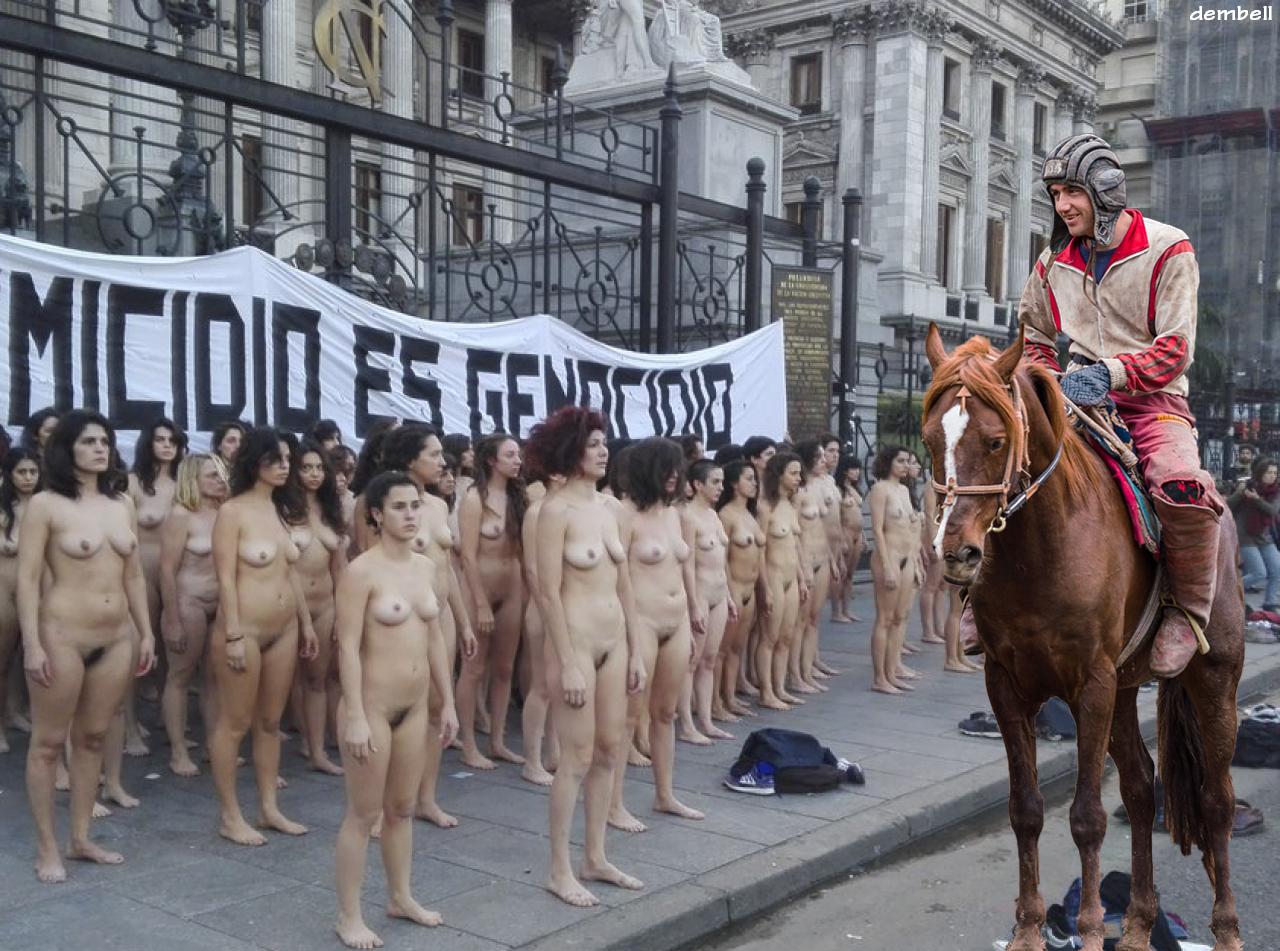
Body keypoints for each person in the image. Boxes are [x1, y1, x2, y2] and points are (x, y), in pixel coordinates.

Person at [1017, 132, 1224, 677]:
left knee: (1182, 484)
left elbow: (1175, 350)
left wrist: (1109, 374)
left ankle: (1187, 612)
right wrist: (1049, 379)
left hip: (1154, 403)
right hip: (1076, 399)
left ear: (1106, 192)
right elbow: (1033, 336)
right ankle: (983, 596)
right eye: (1055, 194)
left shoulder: (1169, 247)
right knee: (1010, 465)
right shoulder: (1051, 262)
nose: (1062, 205)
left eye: (1072, 192)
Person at [19, 410, 157, 883]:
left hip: (116, 637)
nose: (100, 448)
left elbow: (133, 575)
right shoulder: (46, 505)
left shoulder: (121, 504)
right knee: (48, 743)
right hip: (62, 635)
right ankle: (47, 847)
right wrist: (32, 644)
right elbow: (28, 580)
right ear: (67, 449)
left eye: (104, 441)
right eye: (89, 442)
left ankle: (80, 838)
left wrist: (146, 632)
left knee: (94, 736)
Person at [524, 407, 645, 907]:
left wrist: (636, 651)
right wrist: (569, 661)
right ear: (570, 451)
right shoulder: (554, 512)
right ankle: (560, 869)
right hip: (574, 642)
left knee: (610, 749)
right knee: (574, 758)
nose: (603, 451)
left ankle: (595, 856)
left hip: (615, 641)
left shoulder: (612, 508)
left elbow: (625, 584)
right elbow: (547, 592)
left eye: (604, 442)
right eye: (593, 444)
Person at [333, 472, 459, 949]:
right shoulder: (360, 572)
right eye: (399, 507)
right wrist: (355, 716)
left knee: (403, 808)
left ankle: (400, 896)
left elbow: (434, 638)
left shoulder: (426, 568)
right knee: (363, 814)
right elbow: (346, 647)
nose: (410, 515)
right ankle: (349, 915)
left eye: (415, 506)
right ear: (376, 514)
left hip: (416, 706)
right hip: (373, 705)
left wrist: (447, 702)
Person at [208, 427, 318, 846]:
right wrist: (233, 634)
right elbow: (225, 578)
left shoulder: (278, 509)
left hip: (284, 629)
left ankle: (269, 807)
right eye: (277, 459)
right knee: (235, 722)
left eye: (288, 459)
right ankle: (230, 815)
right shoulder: (232, 512)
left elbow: (289, 573)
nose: (285, 466)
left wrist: (306, 623)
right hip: (246, 630)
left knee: (270, 723)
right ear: (256, 462)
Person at [377, 424, 477, 827]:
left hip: (442, 615)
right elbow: (368, 566)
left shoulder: (436, 504)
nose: (441, 462)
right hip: (400, 619)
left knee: (437, 708)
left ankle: (426, 798)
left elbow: (446, 566)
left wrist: (465, 622)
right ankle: (381, 805)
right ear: (410, 459)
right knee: (393, 711)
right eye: (433, 455)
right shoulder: (380, 503)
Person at [614, 437, 705, 826]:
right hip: (642, 622)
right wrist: (631, 643)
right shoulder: (625, 515)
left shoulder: (674, 515)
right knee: (629, 716)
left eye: (677, 468)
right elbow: (618, 581)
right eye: (665, 467)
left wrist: (695, 606)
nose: (673, 475)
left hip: (677, 619)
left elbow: (685, 566)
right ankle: (613, 803)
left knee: (665, 713)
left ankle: (664, 795)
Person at [455, 433, 526, 770]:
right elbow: (468, 556)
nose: (517, 460)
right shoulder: (474, 500)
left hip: (512, 590)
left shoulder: (517, 498)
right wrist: (481, 603)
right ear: (491, 460)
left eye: (518, 455)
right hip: (478, 590)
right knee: (473, 669)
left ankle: (497, 741)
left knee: (504, 669)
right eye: (510, 455)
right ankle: (469, 745)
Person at [157, 452, 228, 775]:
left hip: (220, 604)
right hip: (189, 603)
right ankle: (178, 751)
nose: (220, 480)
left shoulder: (226, 512)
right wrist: (172, 620)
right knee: (180, 677)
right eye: (212, 475)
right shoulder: (180, 515)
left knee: (214, 679)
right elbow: (166, 570)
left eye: (221, 474)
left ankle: (214, 746)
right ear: (193, 480)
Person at [125, 417, 188, 756]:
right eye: (160, 439)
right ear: (148, 443)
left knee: (172, 653)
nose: (166, 446)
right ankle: (129, 726)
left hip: (179, 578)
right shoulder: (133, 482)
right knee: (139, 652)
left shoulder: (184, 483)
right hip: (143, 575)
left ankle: (170, 720)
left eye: (172, 441)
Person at [294, 439, 348, 776]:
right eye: (306, 468)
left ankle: (317, 750)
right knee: (284, 683)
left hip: (326, 604)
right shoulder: (282, 510)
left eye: (318, 468)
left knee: (319, 678)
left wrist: (343, 613)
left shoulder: (331, 510)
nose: (314, 474)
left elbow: (339, 568)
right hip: (290, 606)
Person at [682, 459, 734, 740]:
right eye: (715, 482)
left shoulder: (713, 515)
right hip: (700, 594)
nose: (720, 487)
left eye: (722, 482)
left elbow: (721, 560)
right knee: (692, 661)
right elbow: (687, 565)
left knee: (710, 659)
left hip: (719, 593)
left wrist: (729, 596)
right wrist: (693, 604)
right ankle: (687, 726)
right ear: (697, 485)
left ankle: (706, 721)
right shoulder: (688, 517)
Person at [755, 451, 810, 710]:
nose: (798, 478)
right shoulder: (765, 507)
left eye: (799, 473)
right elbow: (760, 550)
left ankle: (779, 687)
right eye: (793, 473)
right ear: (779, 475)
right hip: (774, 576)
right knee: (769, 637)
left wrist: (801, 578)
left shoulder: (790, 505)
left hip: (791, 577)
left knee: (786, 637)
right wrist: (765, 587)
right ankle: (766, 692)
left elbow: (794, 545)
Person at [517, 460, 561, 786]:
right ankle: (532, 760)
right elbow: (532, 569)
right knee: (542, 686)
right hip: (544, 608)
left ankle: (554, 752)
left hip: (564, 609)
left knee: (557, 685)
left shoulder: (568, 510)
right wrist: (547, 607)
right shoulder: (537, 512)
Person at [867, 446, 920, 695]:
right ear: (888, 462)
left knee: (900, 617)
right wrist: (887, 565)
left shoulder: (904, 490)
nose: (905, 465)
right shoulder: (880, 489)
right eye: (900, 461)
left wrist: (916, 562)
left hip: (907, 558)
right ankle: (880, 677)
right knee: (885, 618)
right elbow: (877, 529)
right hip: (889, 557)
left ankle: (892, 671)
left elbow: (910, 528)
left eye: (907, 461)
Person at [714, 459, 764, 720]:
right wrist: (729, 593)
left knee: (737, 648)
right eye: (749, 479)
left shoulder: (750, 515)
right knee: (721, 651)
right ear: (734, 483)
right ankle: (715, 703)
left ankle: (730, 697)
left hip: (750, 590)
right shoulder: (726, 516)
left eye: (755, 479)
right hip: (734, 588)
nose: (754, 483)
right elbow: (721, 560)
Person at [0, 448, 41, 753]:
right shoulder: (4, 509)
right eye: (21, 472)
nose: (28, 478)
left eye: (33, 472)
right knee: (2, 663)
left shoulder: (46, 506)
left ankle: (22, 714)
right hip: (5, 592)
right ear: (9, 475)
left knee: (35, 663)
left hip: (40, 593)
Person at [792, 440, 833, 694]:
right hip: (806, 559)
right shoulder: (797, 492)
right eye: (818, 457)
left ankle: (808, 670)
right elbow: (795, 533)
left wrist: (832, 559)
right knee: (801, 621)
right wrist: (802, 566)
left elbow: (822, 527)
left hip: (823, 557)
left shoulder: (819, 486)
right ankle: (796, 674)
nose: (824, 461)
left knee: (814, 619)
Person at [1228, 457, 1280, 613]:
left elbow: (1272, 510)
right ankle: (1228, 594)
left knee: (1276, 570)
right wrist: (1239, 493)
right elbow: (1228, 506)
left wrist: (1257, 499)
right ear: (1260, 473)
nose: (1272, 476)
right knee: (1258, 573)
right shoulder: (1247, 486)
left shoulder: (1275, 491)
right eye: (1269, 472)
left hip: (1264, 535)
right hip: (1245, 535)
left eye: (1275, 473)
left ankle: (1270, 602)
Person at [830, 455, 865, 624]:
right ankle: (836, 611)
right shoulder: (838, 489)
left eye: (858, 469)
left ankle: (846, 609)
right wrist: (841, 539)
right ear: (845, 470)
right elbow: (836, 516)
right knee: (841, 573)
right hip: (845, 533)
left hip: (857, 534)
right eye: (853, 469)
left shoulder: (854, 488)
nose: (857, 472)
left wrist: (863, 536)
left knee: (850, 574)